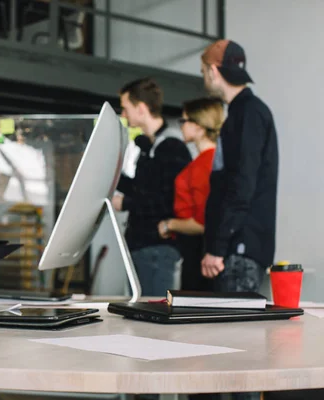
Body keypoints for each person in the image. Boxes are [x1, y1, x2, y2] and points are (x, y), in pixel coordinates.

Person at [200, 40, 279, 400]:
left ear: (215, 71)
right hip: (237, 246)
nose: (204, 77)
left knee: (237, 364)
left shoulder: (248, 113)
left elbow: (242, 185)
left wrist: (217, 248)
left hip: (238, 249)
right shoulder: (243, 113)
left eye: (203, 71)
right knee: (230, 361)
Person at [112, 78, 192, 296]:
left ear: (141, 108)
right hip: (142, 246)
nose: (123, 114)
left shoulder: (171, 147)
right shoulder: (149, 147)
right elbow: (143, 189)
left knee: (154, 320)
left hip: (156, 247)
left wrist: (125, 202)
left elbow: (167, 200)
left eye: (126, 108)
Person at [158, 98, 224, 292]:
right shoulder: (210, 161)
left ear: (199, 127)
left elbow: (202, 222)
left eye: (184, 121)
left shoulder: (205, 163)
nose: (182, 126)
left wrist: (168, 224)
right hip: (195, 250)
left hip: (199, 252)